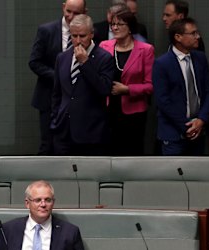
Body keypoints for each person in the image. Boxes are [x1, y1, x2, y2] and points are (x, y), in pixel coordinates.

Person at [29, 0, 87, 155]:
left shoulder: (88, 33)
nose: (71, 16)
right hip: (49, 97)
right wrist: (59, 77)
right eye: (69, 11)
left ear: (85, 12)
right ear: (63, 8)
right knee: (47, 145)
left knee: (75, 146)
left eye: (77, 13)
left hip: (77, 101)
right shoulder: (46, 30)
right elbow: (34, 62)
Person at [51, 14, 113, 156]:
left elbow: (104, 89)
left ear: (91, 34)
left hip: (90, 134)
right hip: (63, 131)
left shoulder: (104, 58)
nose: (78, 41)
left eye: (82, 36)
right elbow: (57, 94)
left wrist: (85, 63)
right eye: (74, 36)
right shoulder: (62, 58)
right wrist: (55, 121)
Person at [153, 18, 209, 156]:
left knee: (196, 175)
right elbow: (163, 101)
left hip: (198, 131)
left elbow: (208, 92)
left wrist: (201, 120)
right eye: (193, 33)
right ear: (178, 37)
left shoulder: (201, 58)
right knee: (174, 175)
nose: (197, 36)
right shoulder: (162, 64)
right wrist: (186, 126)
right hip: (173, 134)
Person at [0, 180, 87, 250]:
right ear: (27, 203)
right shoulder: (8, 230)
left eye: (48, 200)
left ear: (53, 203)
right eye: (38, 200)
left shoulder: (70, 232)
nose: (43, 204)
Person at [99, 8, 154, 156]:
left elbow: (150, 86)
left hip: (134, 113)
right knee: (110, 151)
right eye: (113, 24)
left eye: (120, 24)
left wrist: (127, 89)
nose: (115, 27)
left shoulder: (146, 50)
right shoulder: (104, 46)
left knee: (132, 151)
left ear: (130, 27)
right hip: (109, 109)